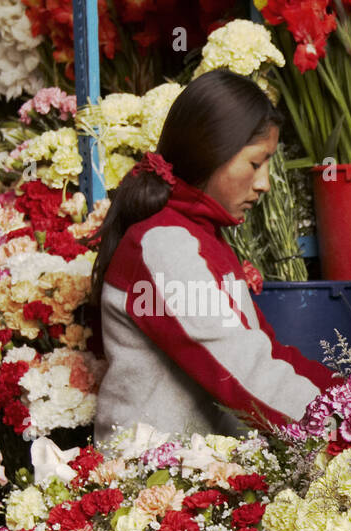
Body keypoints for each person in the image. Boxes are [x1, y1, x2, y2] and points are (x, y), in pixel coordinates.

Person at [89, 69, 337, 445]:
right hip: (149, 480)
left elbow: (266, 353)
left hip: (195, 471)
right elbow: (243, 374)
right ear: (212, 151)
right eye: (256, 163)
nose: (264, 183)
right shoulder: (164, 245)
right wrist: (347, 426)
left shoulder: (202, 238)